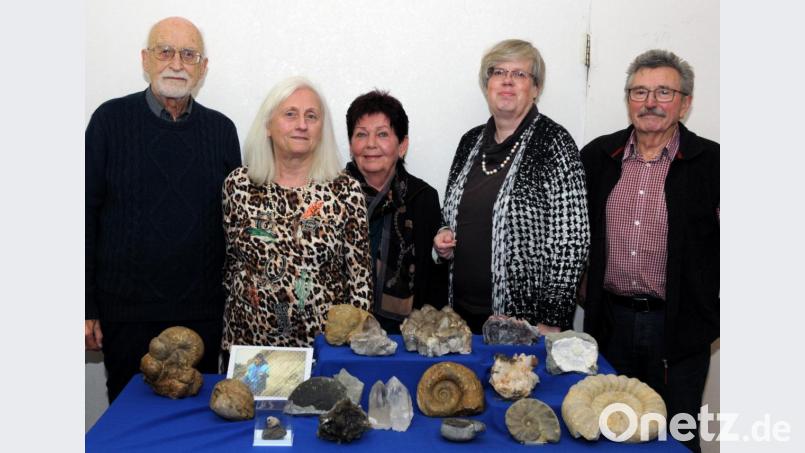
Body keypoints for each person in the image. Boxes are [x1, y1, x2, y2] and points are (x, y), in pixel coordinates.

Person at [85, 17, 241, 403]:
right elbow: (83, 215)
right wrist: (85, 305)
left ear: (203, 67)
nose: (176, 63)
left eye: (189, 54)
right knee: (130, 420)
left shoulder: (222, 131)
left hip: (202, 315)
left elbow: (234, 226)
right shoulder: (108, 122)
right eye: (165, 51)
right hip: (126, 315)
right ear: (145, 59)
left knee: (198, 421)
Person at [580, 49, 719, 452]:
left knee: (676, 436)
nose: (650, 103)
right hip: (610, 323)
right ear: (628, 100)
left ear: (685, 103)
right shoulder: (597, 156)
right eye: (639, 92)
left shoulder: (713, 163)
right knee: (608, 432)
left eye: (663, 92)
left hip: (677, 330)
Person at [433, 39, 589, 333]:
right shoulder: (469, 142)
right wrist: (443, 235)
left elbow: (571, 240)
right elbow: (449, 213)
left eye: (519, 74)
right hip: (460, 317)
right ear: (487, 84)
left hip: (526, 324)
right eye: (498, 72)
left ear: (536, 88)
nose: (507, 81)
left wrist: (552, 320)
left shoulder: (554, 143)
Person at [220, 77, 372, 363]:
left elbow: (360, 282)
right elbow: (230, 267)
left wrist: (353, 353)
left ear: (321, 129)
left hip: (323, 353)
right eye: (290, 114)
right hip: (250, 351)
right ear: (268, 125)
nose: (302, 124)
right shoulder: (238, 185)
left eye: (311, 116)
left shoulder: (345, 190)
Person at [344, 90, 448, 333]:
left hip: (407, 336)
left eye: (382, 134)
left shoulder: (422, 197)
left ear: (402, 145)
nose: (371, 144)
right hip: (344, 333)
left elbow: (434, 280)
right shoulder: (331, 195)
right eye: (361, 134)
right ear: (350, 145)